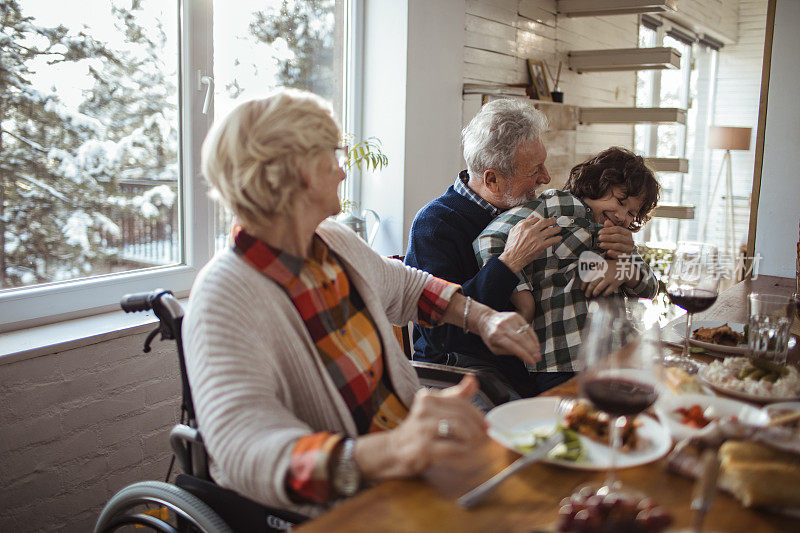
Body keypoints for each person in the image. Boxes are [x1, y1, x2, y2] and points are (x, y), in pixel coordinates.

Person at [182, 89, 541, 518]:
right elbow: (247, 450)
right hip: (343, 500)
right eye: (332, 153)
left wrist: (482, 318)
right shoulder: (223, 296)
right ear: (293, 173)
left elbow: (407, 287)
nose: (343, 166)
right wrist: (388, 451)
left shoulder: (332, 241)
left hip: (406, 461)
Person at [404, 98, 562, 399]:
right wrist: (508, 263)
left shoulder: (526, 210)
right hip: (461, 378)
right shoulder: (435, 224)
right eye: (535, 170)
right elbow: (441, 335)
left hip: (528, 369)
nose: (546, 178)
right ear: (492, 179)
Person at [473, 147, 661, 388]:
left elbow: (650, 287)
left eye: (632, 213)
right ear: (597, 183)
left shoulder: (619, 236)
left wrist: (625, 269)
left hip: (618, 354)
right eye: (620, 201)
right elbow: (489, 238)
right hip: (561, 359)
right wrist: (522, 298)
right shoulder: (553, 205)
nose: (622, 216)